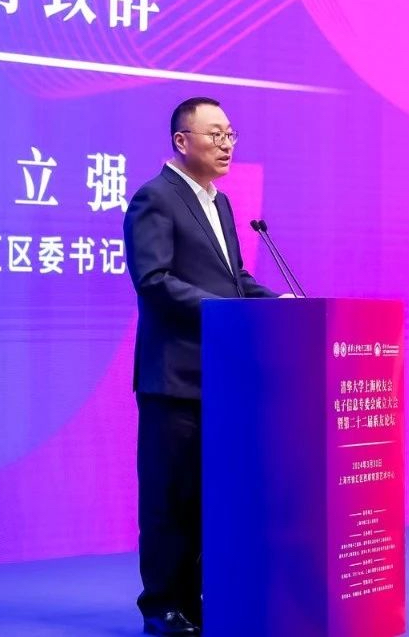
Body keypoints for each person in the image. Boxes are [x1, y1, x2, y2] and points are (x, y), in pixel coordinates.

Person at [123, 96, 277, 635]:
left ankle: (197, 600)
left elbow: (233, 281)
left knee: (209, 498)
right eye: (215, 134)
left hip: (219, 379)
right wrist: (228, 310)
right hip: (173, 379)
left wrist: (279, 306)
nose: (226, 144)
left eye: (230, 134)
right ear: (181, 140)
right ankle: (163, 607)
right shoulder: (155, 197)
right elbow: (154, 281)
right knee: (170, 499)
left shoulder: (221, 203)